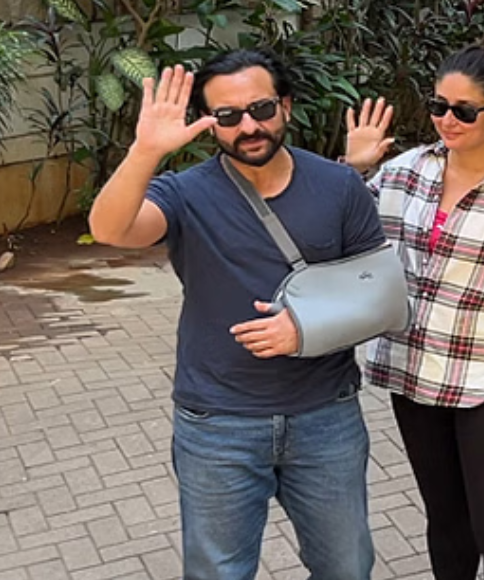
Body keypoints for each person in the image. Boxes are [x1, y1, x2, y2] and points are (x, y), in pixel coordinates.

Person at [87, 50, 381, 580]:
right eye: (227, 116)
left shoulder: (339, 187)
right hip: (217, 423)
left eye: (261, 108)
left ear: (285, 105)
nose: (248, 127)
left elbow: (378, 293)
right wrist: (145, 151)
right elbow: (110, 229)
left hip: (325, 416)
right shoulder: (184, 193)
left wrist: (306, 328)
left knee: (347, 567)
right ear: (208, 123)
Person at [345, 30, 484, 580]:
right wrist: (352, 168)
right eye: (439, 106)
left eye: (465, 111)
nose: (447, 120)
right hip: (414, 374)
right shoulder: (403, 172)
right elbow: (336, 227)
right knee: (446, 522)